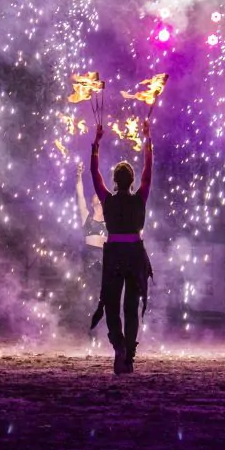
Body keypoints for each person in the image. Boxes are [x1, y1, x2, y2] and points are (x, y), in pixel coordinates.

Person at [89, 118, 153, 375]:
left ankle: (120, 349)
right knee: (131, 307)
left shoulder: (107, 200)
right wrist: (148, 139)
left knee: (113, 304)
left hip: (115, 254)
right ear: (131, 180)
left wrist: (96, 143)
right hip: (135, 254)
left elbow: (94, 174)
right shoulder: (140, 197)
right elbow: (149, 170)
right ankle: (129, 354)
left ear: (115, 180)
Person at [76, 161, 106, 314]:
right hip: (90, 257)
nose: (98, 196)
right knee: (91, 293)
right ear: (92, 202)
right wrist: (79, 176)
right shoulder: (86, 217)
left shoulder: (110, 220)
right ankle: (92, 329)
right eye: (95, 195)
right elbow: (80, 196)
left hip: (106, 257)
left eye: (99, 194)